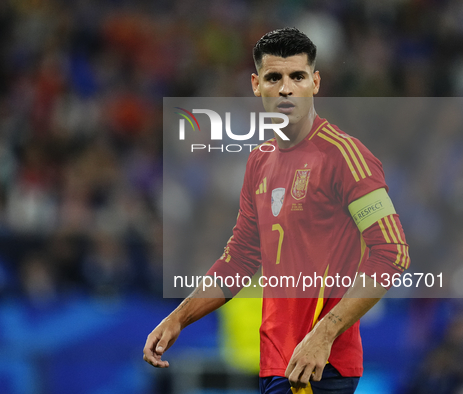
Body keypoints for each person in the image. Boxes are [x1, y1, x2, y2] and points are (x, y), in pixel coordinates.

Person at [143, 27, 410, 394]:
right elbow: (240, 258)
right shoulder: (260, 161)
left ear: (315, 82)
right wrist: (178, 319)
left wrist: (323, 335)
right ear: (257, 85)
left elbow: (392, 252)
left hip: (319, 365)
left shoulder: (345, 157)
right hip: (274, 365)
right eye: (274, 77)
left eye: (297, 76)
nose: (286, 88)